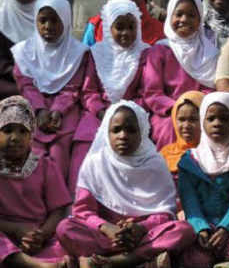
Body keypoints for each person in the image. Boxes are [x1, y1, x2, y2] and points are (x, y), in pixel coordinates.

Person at [57, 102, 195, 265]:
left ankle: (123, 260)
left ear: (142, 132)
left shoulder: (155, 163)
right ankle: (139, 257)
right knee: (65, 228)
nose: (123, 136)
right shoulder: (96, 163)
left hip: (144, 234)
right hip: (105, 236)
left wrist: (140, 228)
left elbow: (166, 213)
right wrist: (107, 228)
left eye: (131, 130)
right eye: (116, 130)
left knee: (183, 231)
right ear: (106, 133)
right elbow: (83, 211)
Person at [0, 96, 73, 268]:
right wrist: (16, 229)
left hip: (40, 237)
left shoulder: (45, 165)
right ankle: (35, 264)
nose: (15, 137)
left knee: (67, 236)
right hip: (5, 235)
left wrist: (41, 235)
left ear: (31, 135)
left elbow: (57, 211)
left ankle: (11, 261)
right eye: (7, 131)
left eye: (23, 131)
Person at [73, 0, 149, 192]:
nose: (126, 33)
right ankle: (82, 199)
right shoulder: (96, 53)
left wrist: (128, 111)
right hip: (99, 114)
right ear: (108, 27)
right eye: (119, 27)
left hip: (134, 114)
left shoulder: (145, 53)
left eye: (131, 27)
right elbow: (89, 91)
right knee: (85, 145)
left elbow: (146, 90)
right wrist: (101, 112)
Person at [13, 0, 88, 183]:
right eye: (43, 20)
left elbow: (73, 88)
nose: (48, 26)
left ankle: (59, 201)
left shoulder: (77, 53)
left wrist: (57, 111)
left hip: (65, 111)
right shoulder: (24, 52)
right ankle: (34, 201)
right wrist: (39, 110)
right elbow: (26, 84)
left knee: (59, 151)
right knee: (32, 150)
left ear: (65, 20)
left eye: (55, 20)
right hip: (34, 107)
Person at [178, 93, 229, 267]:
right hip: (200, 226)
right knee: (198, 259)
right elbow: (189, 201)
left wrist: (225, 228)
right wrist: (201, 228)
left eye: (225, 118)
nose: (217, 124)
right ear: (202, 122)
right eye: (211, 118)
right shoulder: (189, 161)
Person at [142, 0, 218, 148]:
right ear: (170, 16)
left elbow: (210, 89)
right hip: (167, 113)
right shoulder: (159, 51)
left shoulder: (209, 52)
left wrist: (196, 108)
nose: (184, 20)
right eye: (179, 14)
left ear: (200, 19)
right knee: (169, 129)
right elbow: (152, 93)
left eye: (191, 15)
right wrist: (178, 108)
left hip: (199, 112)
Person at [160, 91, 204, 176]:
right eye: (181, 119)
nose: (186, 125)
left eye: (193, 119)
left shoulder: (213, 154)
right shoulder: (165, 154)